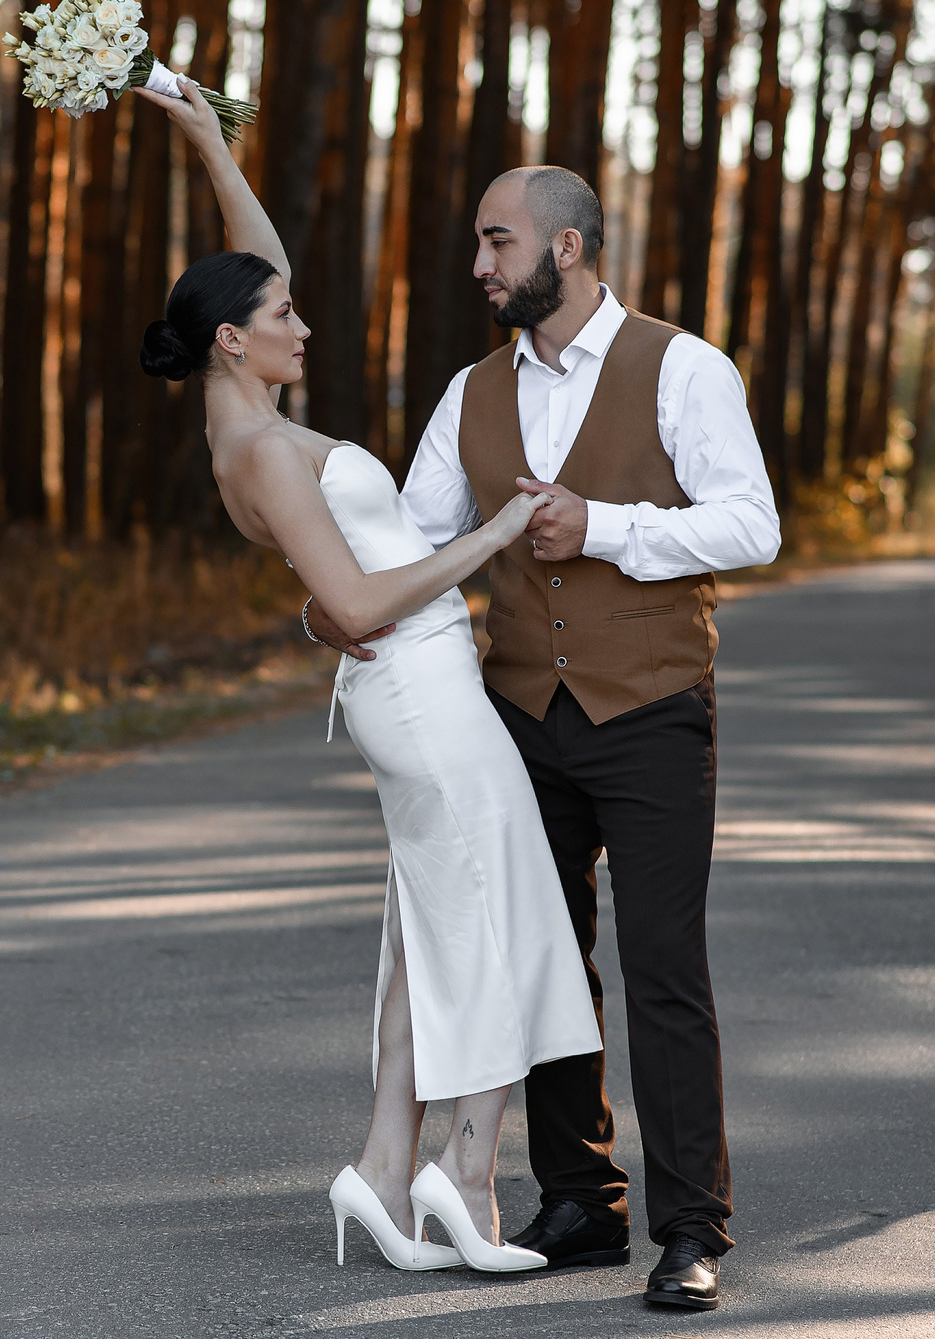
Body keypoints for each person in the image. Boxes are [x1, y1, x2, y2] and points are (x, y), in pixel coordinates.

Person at [134, 79, 601, 1276]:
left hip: (415, 687)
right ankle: (468, 1173)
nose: (304, 325)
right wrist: (494, 535)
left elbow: (257, 253)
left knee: (432, 922)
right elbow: (350, 606)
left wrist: (201, 136)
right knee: (495, 915)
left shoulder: (245, 420)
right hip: (420, 690)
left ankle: (385, 1172)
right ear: (234, 340)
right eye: (283, 315)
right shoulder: (263, 451)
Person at [305, 164, 781, 1311]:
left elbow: (752, 524)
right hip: (516, 716)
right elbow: (413, 543)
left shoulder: (680, 365)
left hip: (655, 707)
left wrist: (604, 526)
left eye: (497, 242)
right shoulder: (469, 393)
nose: (480, 264)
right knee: (541, 959)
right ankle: (579, 1201)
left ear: (564, 249)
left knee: (664, 969)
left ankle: (688, 1228)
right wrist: (338, 603)